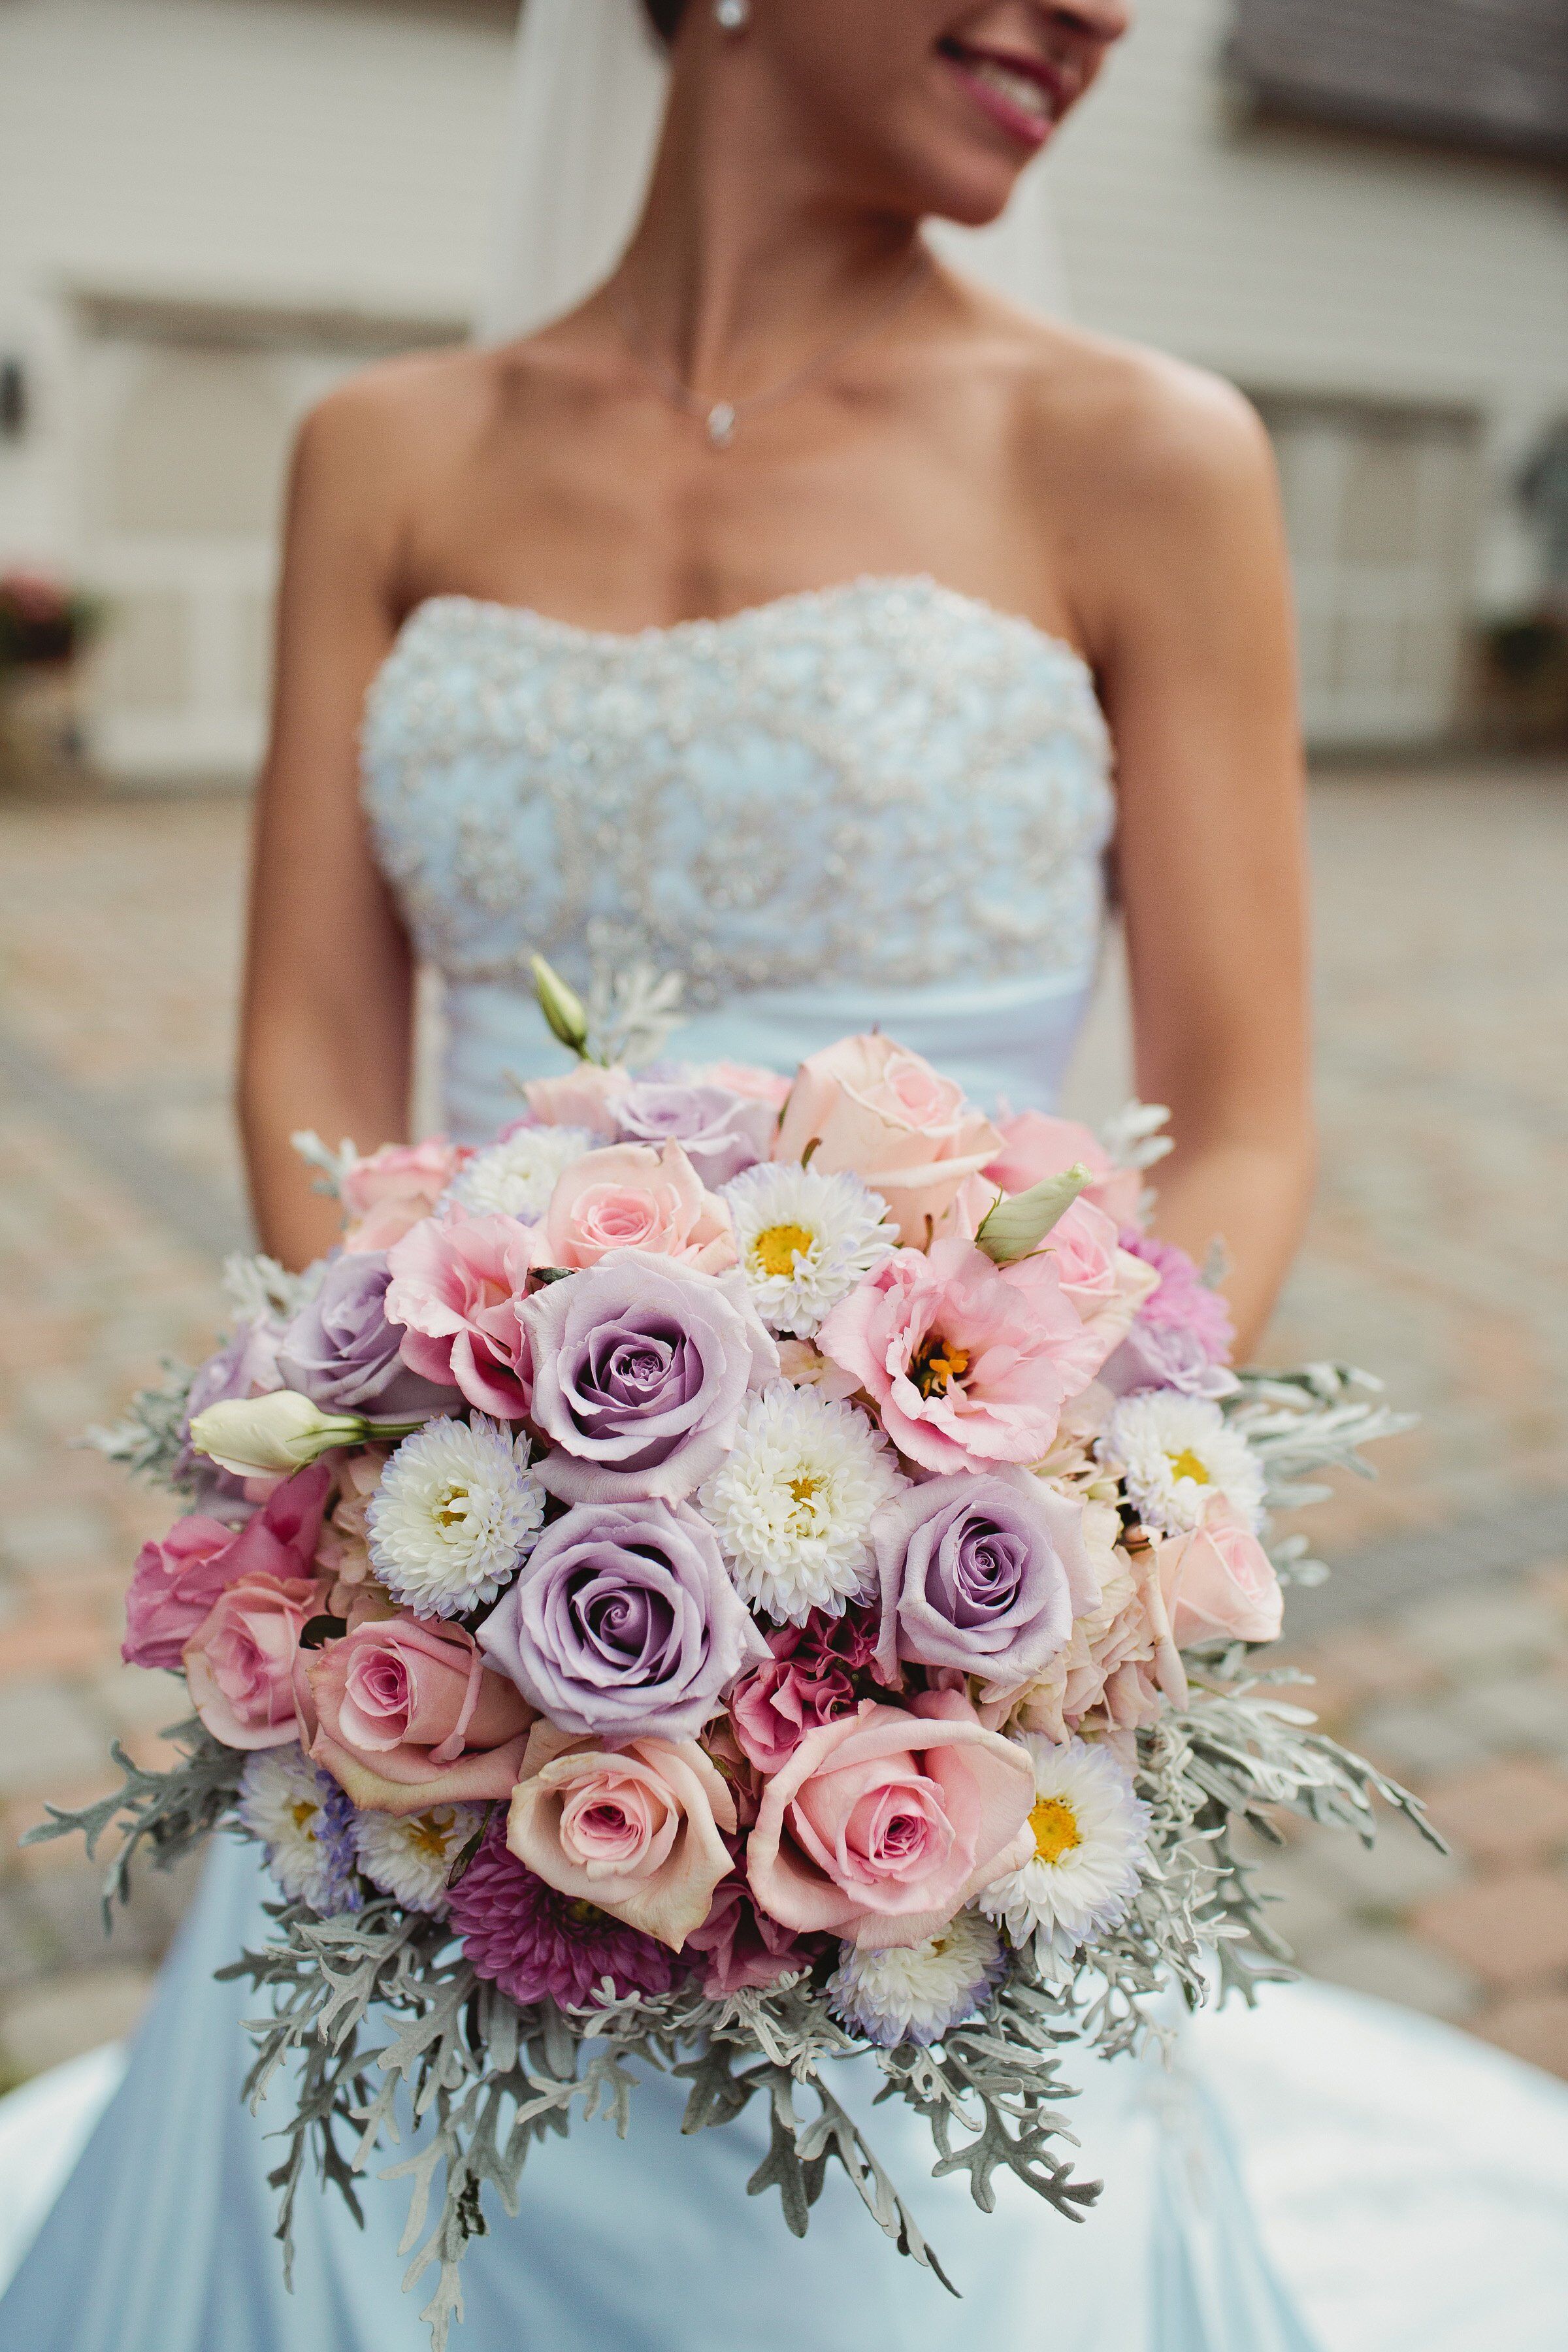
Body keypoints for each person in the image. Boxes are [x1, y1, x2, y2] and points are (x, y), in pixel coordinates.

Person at [2, 5, 1567, 2348]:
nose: (1105, 14)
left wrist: (1038, 1521)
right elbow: (314, 1042)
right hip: (461, 1600)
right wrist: (440, 1477)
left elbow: (1242, 1102)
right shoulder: (383, 452)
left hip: (932, 1618)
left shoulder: (1147, 452)